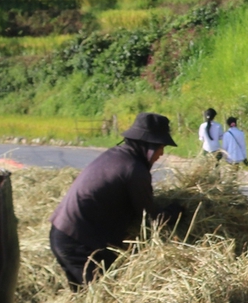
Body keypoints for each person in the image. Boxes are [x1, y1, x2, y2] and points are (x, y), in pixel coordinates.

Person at [50, 112, 175, 286]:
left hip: (65, 232)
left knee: (86, 296)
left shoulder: (117, 155)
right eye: (161, 146)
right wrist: (173, 214)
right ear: (150, 146)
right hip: (78, 242)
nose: (161, 153)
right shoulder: (134, 169)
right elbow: (150, 217)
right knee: (103, 298)